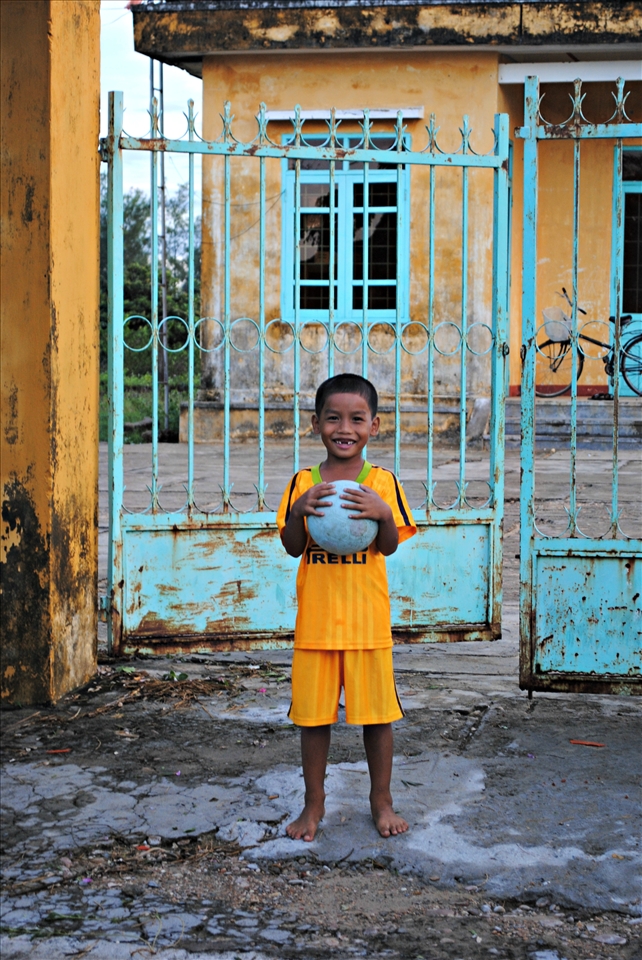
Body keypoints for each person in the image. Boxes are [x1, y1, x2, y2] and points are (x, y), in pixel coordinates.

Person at [276, 373, 417, 842]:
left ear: (374, 426)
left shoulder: (382, 483)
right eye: (333, 418)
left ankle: (382, 800)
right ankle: (313, 804)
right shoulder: (303, 483)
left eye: (357, 419)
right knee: (314, 720)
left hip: (367, 625)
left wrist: (381, 514)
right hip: (315, 626)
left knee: (377, 716)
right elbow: (293, 547)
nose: (345, 427)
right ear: (316, 423)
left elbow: (391, 547)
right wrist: (298, 511)